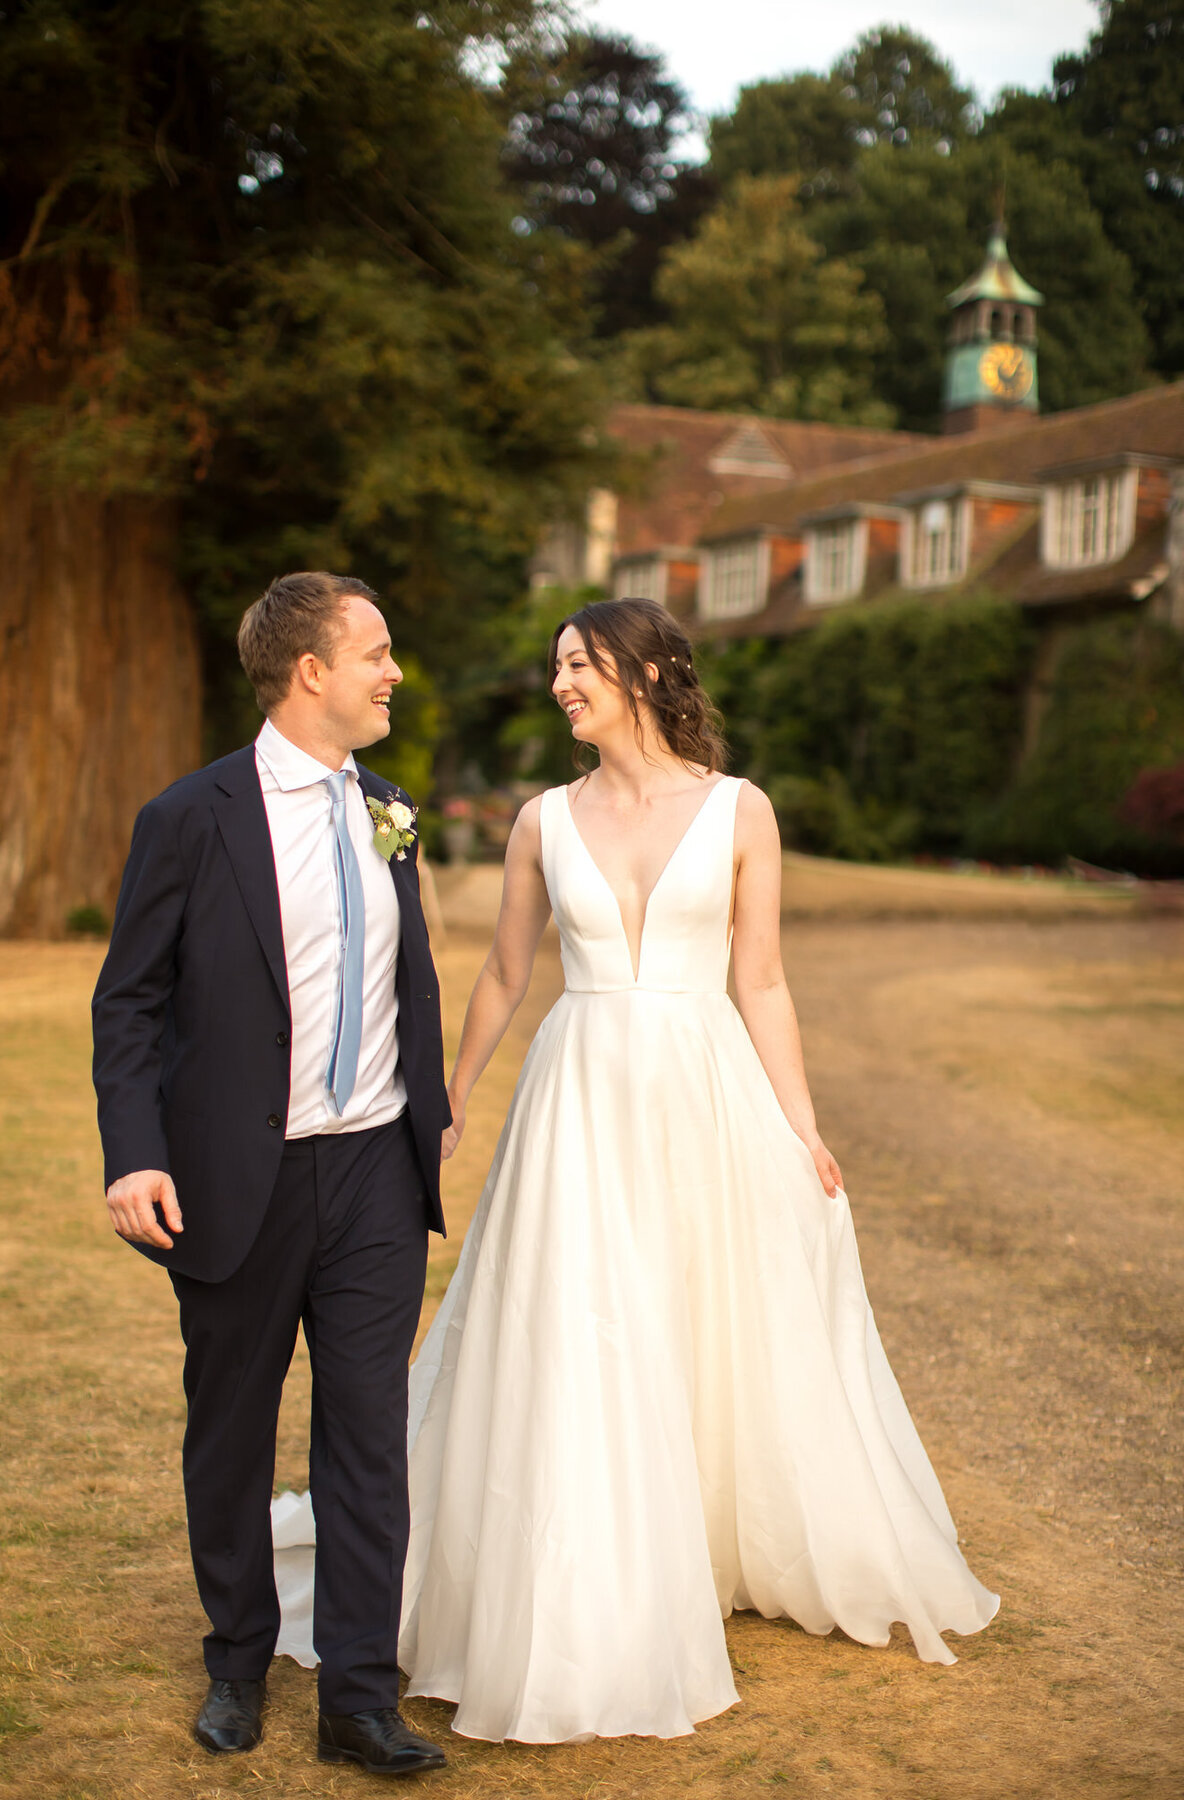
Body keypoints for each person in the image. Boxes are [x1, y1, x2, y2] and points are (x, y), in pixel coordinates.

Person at [275, 596, 999, 1742]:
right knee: (587, 1322)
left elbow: (760, 980)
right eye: (557, 665)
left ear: (648, 671)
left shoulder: (740, 811)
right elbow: (508, 973)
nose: (562, 683)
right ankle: (595, 1557)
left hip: (704, 1088)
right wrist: (453, 1095)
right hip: (582, 1098)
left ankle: (707, 1532)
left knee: (703, 1312)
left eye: (581, 663)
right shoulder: (541, 820)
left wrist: (800, 1125)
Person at [92, 572, 450, 1776]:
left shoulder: (390, 806)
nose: (394, 672)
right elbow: (129, 1002)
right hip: (238, 1178)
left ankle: (358, 1695)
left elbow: (411, 980)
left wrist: (430, 1114)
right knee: (231, 1434)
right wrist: (133, 1152)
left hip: (375, 1183)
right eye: (377, 653)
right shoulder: (191, 818)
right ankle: (237, 1663)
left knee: (367, 1439)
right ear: (311, 672)